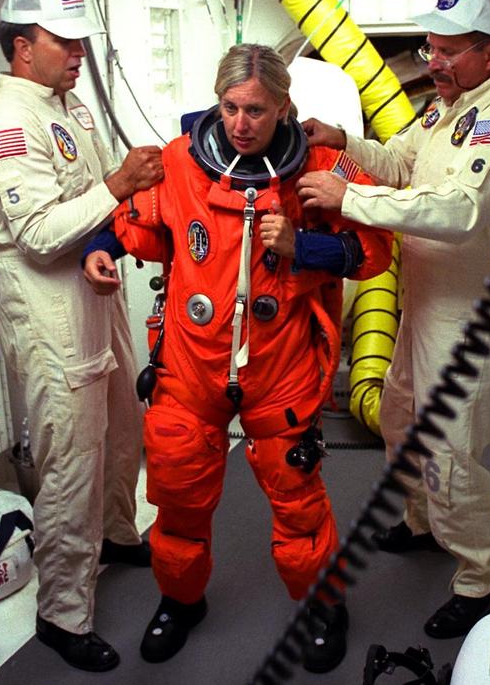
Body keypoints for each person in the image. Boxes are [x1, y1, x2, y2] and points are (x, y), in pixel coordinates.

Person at [82, 44, 394, 674]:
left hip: (280, 367)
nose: (240, 123)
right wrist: (101, 245)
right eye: (230, 108)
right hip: (192, 367)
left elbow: (375, 251)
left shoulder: (321, 170)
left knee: (298, 503)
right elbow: (134, 218)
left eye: (256, 109)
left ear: (283, 106)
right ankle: (179, 599)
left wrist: (306, 245)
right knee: (177, 497)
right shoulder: (180, 163)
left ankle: (322, 607)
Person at [298, 0, 490, 639]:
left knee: (448, 446)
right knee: (403, 416)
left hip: (471, 314)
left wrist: (347, 200)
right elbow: (402, 162)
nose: (432, 61)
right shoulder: (448, 109)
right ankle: (425, 522)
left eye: (447, 51)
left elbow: (459, 211)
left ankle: (481, 580)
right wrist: (342, 140)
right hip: (426, 302)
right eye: (429, 47)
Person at [0, 0, 164, 673]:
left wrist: (108, 242)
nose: (77, 52)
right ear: (23, 46)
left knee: (120, 426)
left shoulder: (67, 108)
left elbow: (96, 208)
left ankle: (113, 533)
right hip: (43, 294)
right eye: (62, 40)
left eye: (80, 39)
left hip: (91, 282)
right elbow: (42, 231)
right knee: (70, 455)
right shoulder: (4, 122)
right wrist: (120, 186)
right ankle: (62, 611)